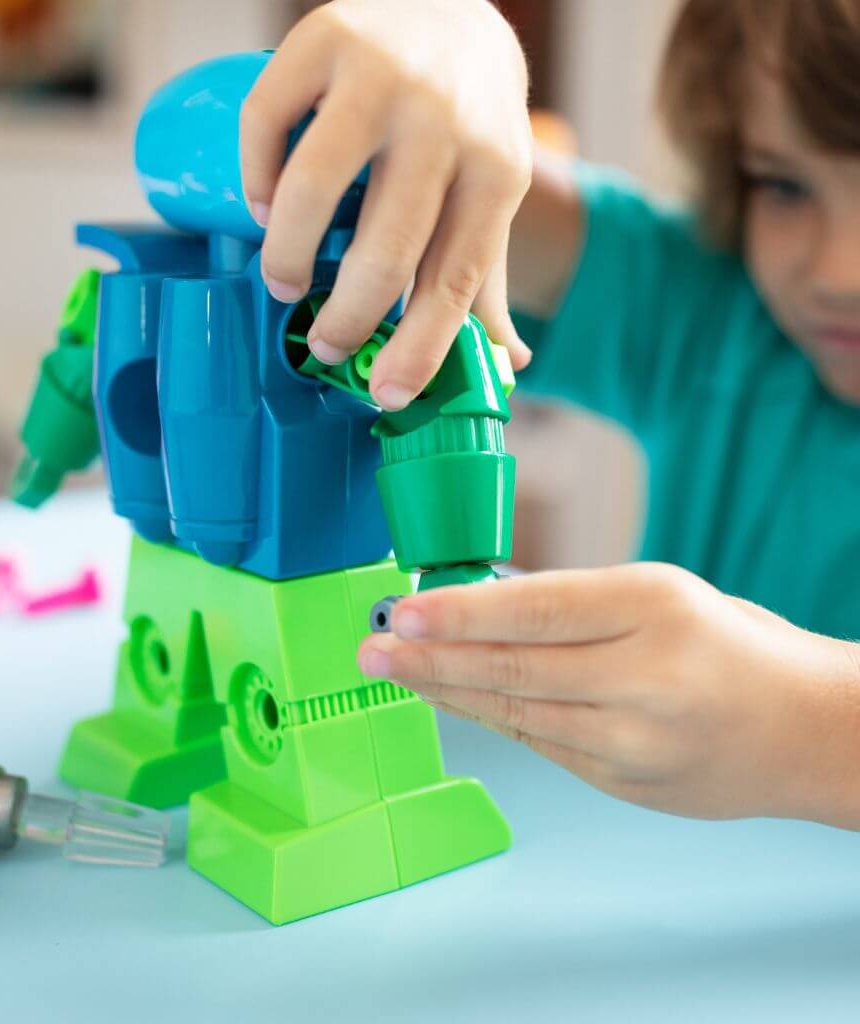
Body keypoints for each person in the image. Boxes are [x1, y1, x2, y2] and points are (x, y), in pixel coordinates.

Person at [240, 0, 860, 828]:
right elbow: (468, 187)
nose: (839, 270)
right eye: (782, 184)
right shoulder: (720, 312)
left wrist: (808, 727)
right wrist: (453, 46)